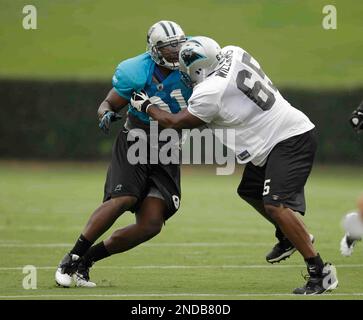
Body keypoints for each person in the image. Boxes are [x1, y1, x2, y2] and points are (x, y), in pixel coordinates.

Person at [130, 36, 338, 294]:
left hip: (287, 139)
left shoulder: (210, 90)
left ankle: (320, 273)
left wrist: (147, 106)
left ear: (198, 69)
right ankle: (289, 236)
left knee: (275, 204)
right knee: (250, 191)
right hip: (274, 139)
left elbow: (174, 122)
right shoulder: (233, 51)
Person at [55, 20, 192, 287]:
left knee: (152, 223)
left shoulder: (195, 65)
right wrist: (105, 112)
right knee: (124, 197)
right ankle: (71, 257)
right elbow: (109, 101)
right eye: (169, 46)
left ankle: (87, 261)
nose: (176, 51)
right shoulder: (137, 71)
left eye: (179, 45)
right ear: (154, 49)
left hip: (168, 147)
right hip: (136, 139)